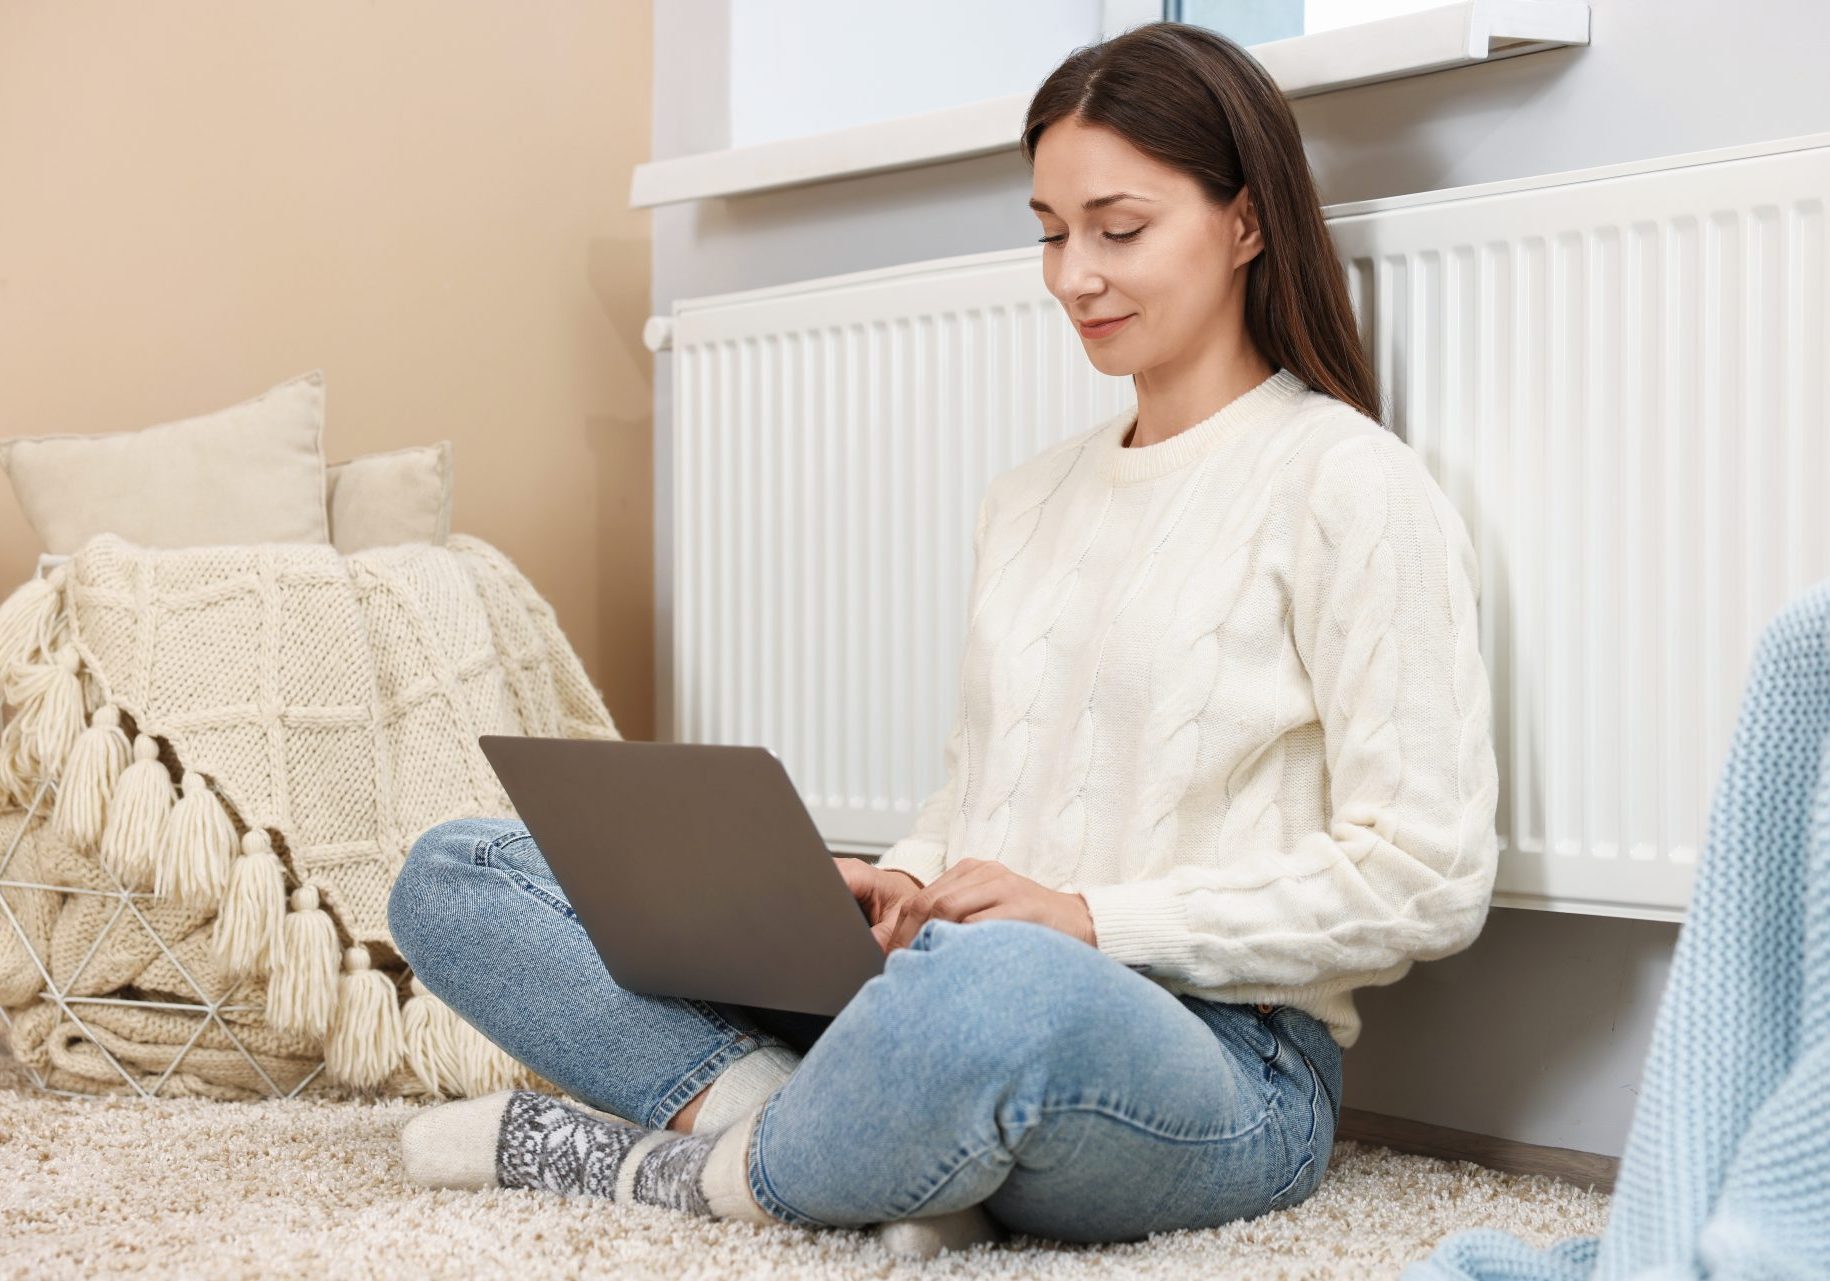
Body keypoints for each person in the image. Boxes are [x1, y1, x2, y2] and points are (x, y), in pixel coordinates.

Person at [384, 19, 1500, 1257]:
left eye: (1118, 230)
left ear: (1246, 223)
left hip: (1220, 1062)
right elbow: (982, 797)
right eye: (1050, 232)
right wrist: (905, 880)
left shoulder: (1349, 484)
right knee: (458, 872)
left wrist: (1088, 922)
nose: (1073, 275)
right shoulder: (1026, 500)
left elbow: (1428, 879)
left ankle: (690, 1171)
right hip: (942, 993)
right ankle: (842, 1140)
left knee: (993, 994)